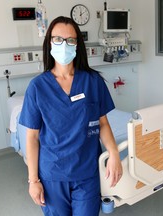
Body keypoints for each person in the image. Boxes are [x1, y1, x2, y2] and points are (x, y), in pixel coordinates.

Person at [19, 16, 123, 216]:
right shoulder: (37, 87)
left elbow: (102, 123)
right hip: (52, 176)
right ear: (50, 42)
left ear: (78, 44)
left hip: (86, 175)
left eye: (70, 40)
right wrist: (33, 181)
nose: (64, 45)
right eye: (58, 39)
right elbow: (31, 138)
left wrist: (114, 153)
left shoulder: (93, 81)